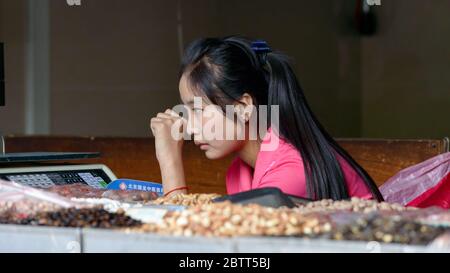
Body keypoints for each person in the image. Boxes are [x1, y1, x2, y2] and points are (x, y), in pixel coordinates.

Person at [150, 36, 383, 201]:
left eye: (198, 110)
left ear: (243, 107)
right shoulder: (239, 171)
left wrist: (170, 162)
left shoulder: (291, 172)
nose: (189, 127)